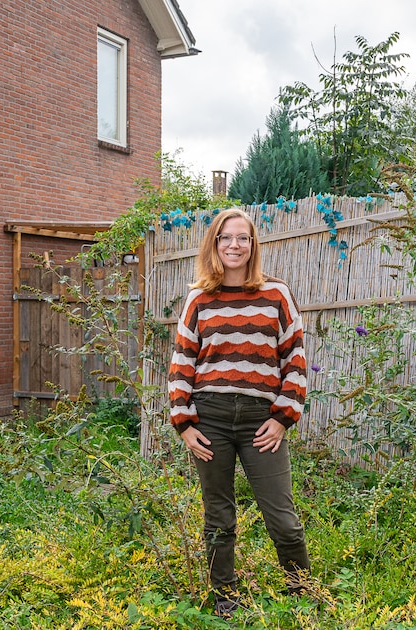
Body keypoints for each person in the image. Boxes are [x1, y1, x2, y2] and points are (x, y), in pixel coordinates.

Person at [167, 207, 312, 618]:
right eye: (226, 238)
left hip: (260, 421)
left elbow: (295, 359)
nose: (235, 245)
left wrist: (283, 417)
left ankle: (303, 594)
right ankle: (225, 599)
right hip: (209, 418)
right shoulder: (199, 298)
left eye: (243, 238)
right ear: (215, 244)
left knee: (282, 518)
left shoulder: (276, 295)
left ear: (253, 245)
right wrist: (183, 422)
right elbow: (182, 363)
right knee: (219, 516)